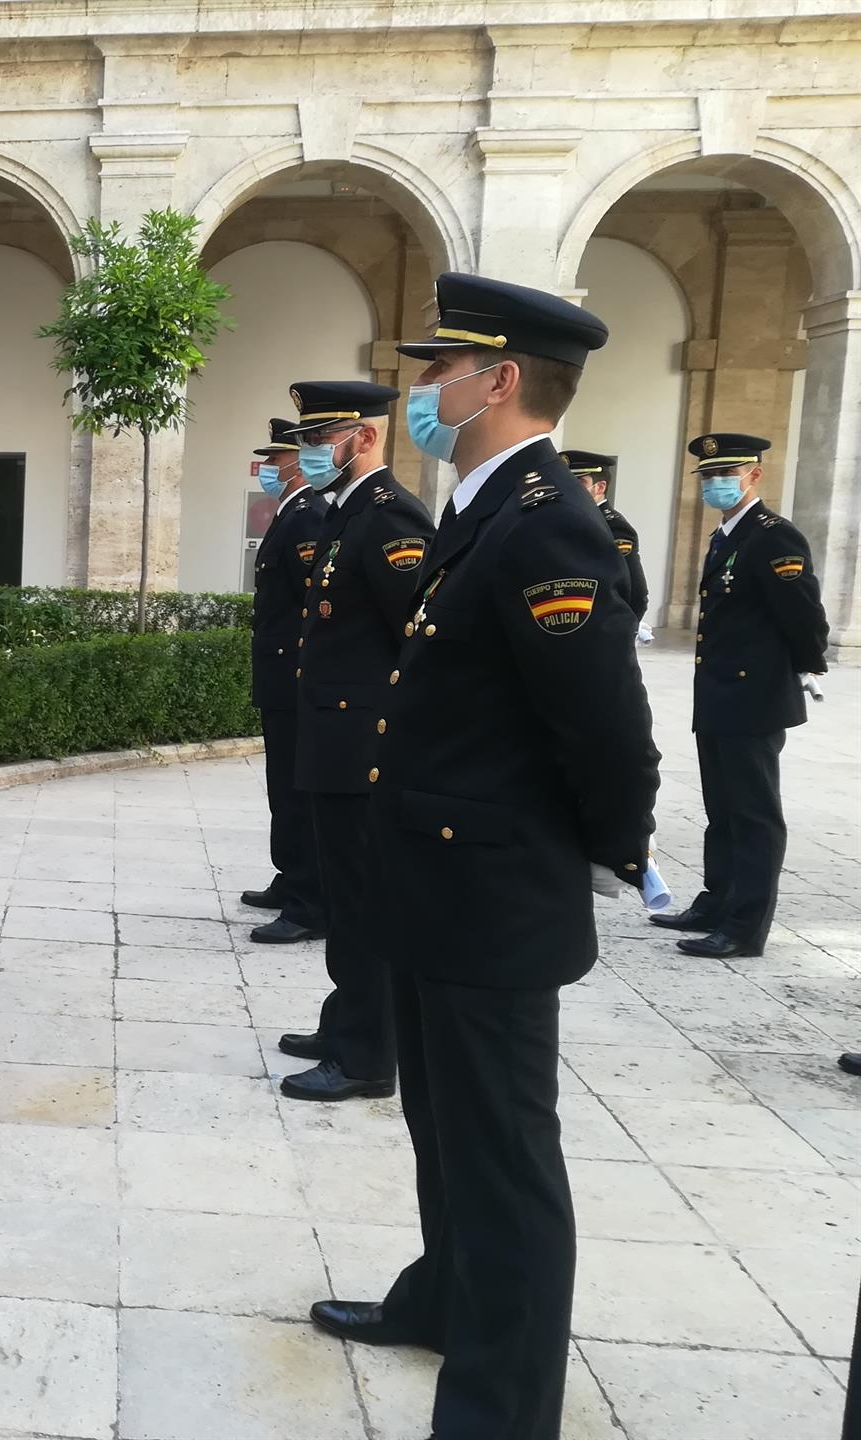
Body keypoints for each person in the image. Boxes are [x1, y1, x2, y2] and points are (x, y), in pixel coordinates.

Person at [308, 274, 660, 1440]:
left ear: (499, 379)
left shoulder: (549, 519)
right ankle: (444, 1301)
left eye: (438, 368)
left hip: (493, 898)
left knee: (504, 1163)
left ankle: (500, 1413)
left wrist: (600, 853)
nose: (421, 387)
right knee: (445, 1134)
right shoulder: (483, 507)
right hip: (437, 888)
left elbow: (606, 729)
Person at [280, 380, 433, 1102]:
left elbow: (416, 640)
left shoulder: (390, 516)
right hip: (334, 740)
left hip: (362, 747)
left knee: (364, 904)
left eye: (319, 440)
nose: (309, 452)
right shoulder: (346, 512)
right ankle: (346, 1022)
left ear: (364, 438)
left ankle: (367, 1056)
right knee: (345, 900)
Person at [650, 433, 828, 958]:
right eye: (708, 476)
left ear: (754, 476)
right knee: (722, 810)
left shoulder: (773, 536)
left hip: (754, 696)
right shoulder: (727, 535)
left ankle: (746, 926)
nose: (715, 484)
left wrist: (807, 666)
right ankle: (717, 902)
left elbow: (803, 615)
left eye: (725, 475)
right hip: (720, 693)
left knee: (753, 815)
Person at [242, 417, 327, 944]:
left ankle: (308, 900)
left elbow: (312, 603)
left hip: (295, 675)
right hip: (279, 673)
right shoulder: (292, 512)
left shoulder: (309, 516)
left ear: (294, 462)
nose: (267, 468)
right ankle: (290, 877)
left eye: (274, 460)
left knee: (297, 791)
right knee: (282, 786)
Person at [562, 450, 650, 623]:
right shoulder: (571, 519)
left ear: (600, 487)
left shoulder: (614, 527)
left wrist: (621, 631)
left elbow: (637, 594)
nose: (570, 488)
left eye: (579, 482)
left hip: (598, 625)